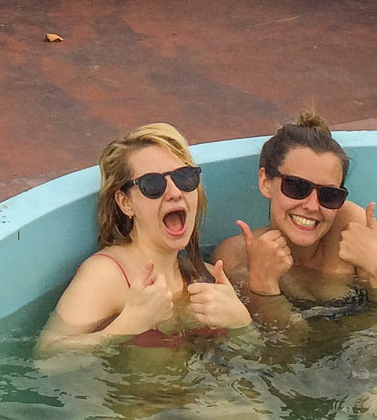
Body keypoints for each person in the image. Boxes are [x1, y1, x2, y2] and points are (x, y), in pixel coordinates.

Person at [38, 122, 252, 357]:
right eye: (153, 184)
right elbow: (47, 360)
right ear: (125, 202)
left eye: (185, 177)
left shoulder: (207, 276)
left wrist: (241, 322)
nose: (174, 192)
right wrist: (124, 328)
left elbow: (259, 359)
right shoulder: (107, 276)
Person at [213, 110, 377, 327]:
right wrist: (264, 285)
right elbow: (277, 351)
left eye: (329, 195)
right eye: (297, 187)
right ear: (265, 182)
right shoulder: (236, 258)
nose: (311, 206)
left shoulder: (355, 230)